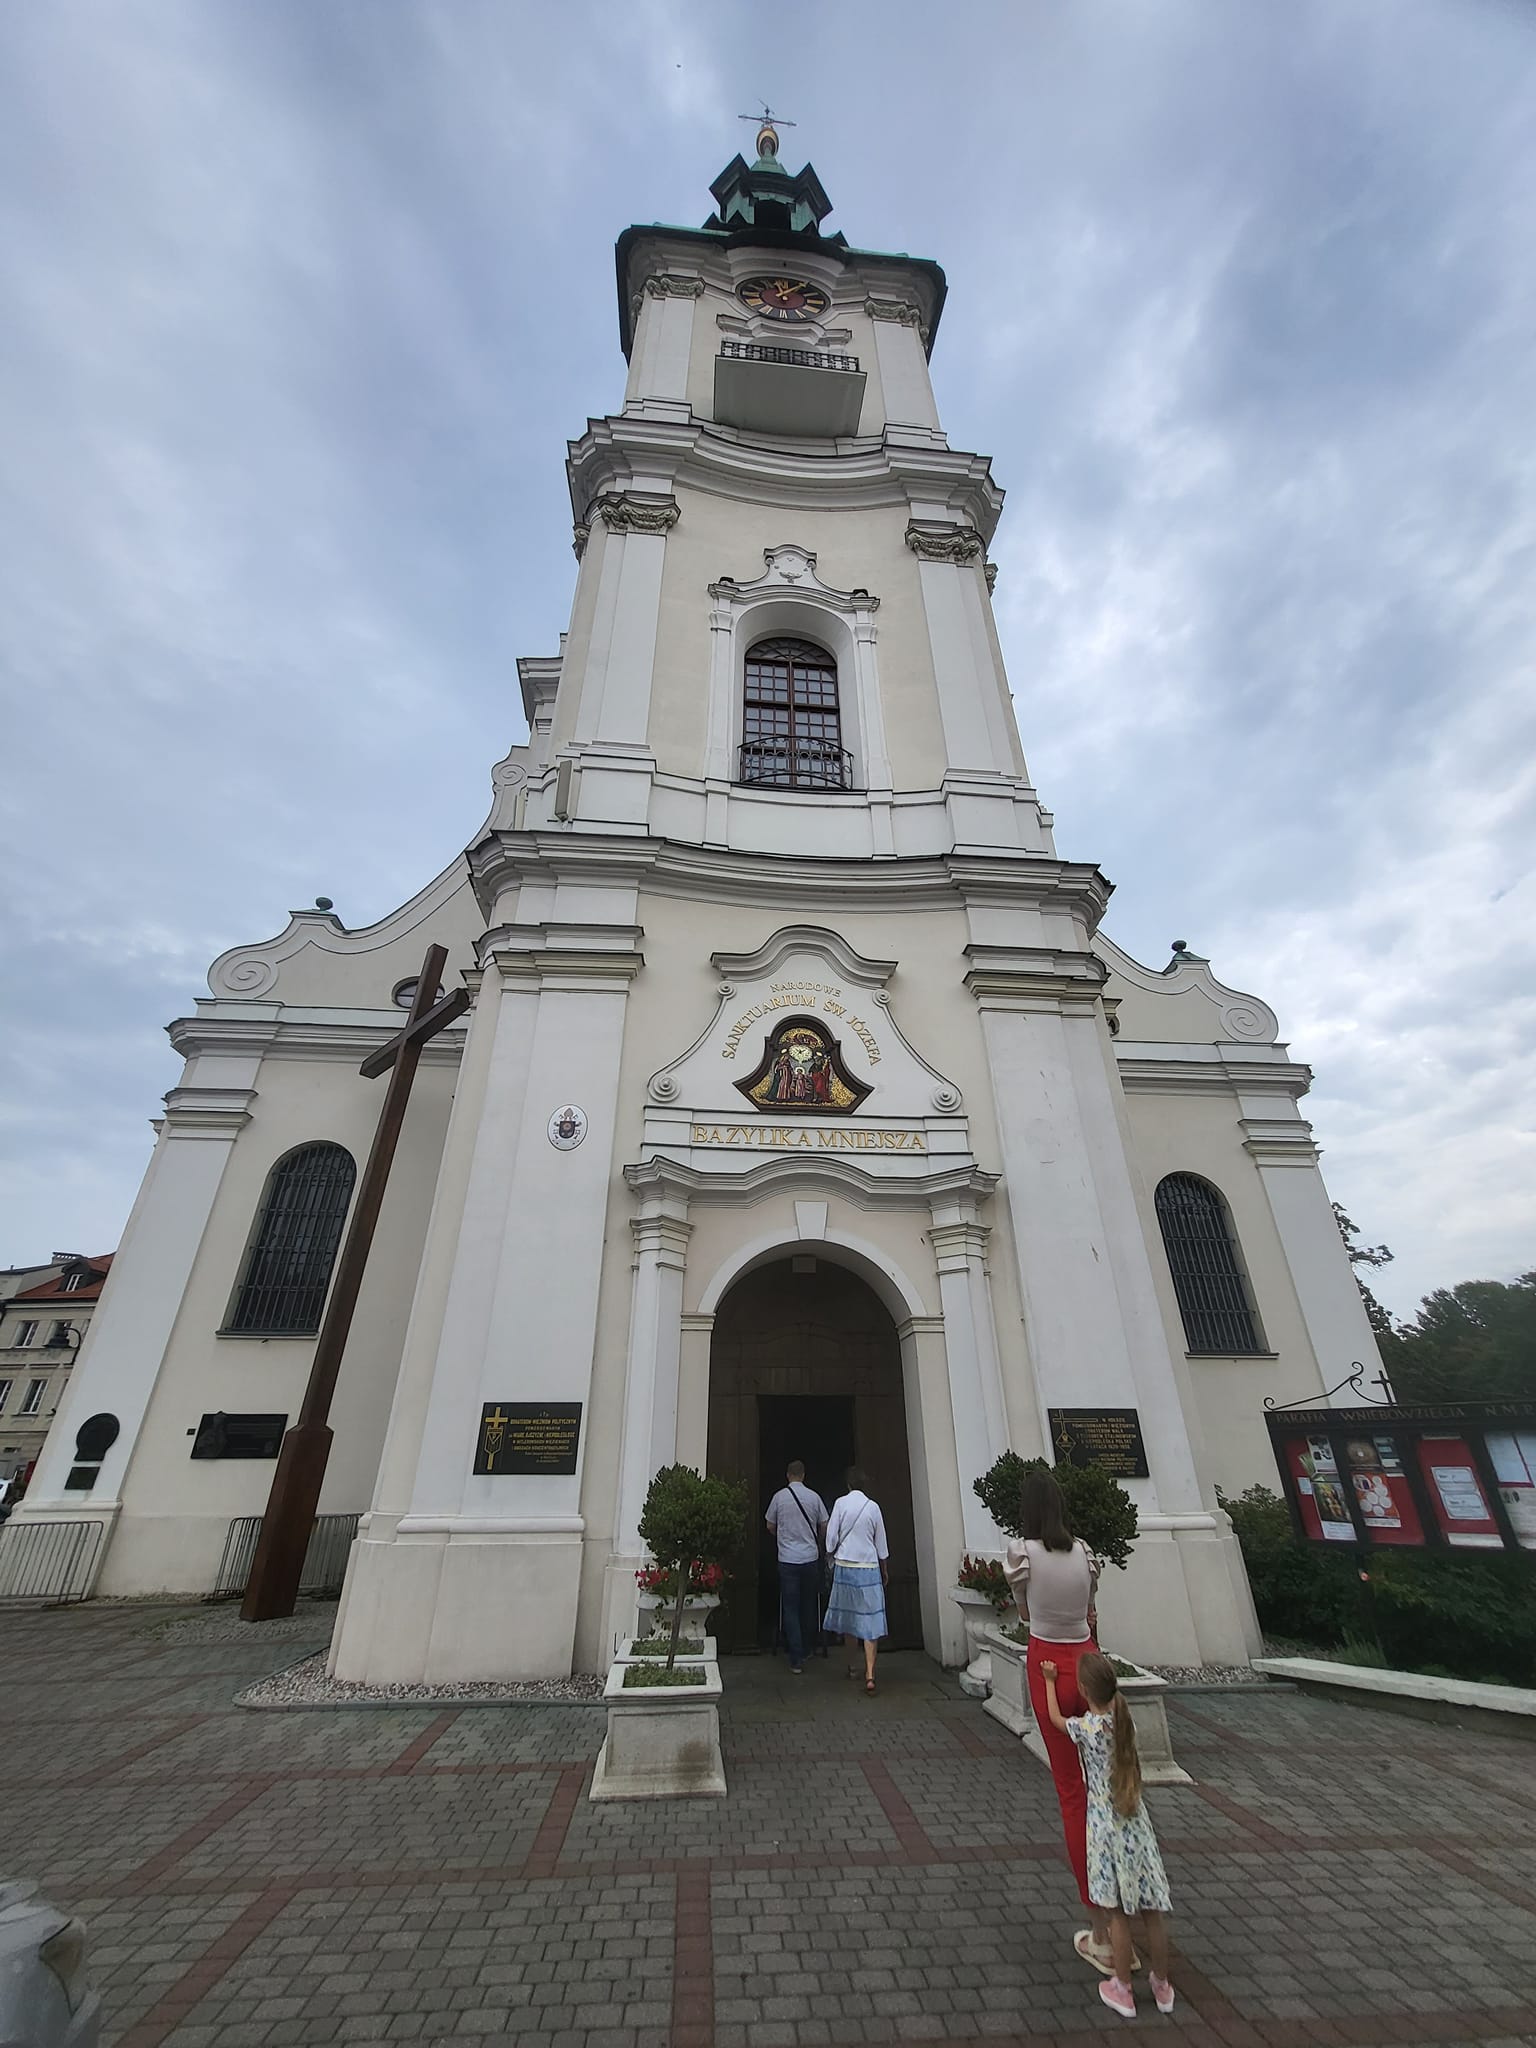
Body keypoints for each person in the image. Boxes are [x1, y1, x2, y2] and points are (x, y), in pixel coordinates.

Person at [1003, 1468, 1125, 1977]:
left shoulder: (1022, 1554)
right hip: (1088, 1663)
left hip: (1049, 1667)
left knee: (1074, 1795)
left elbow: (1023, 1613)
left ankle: (1101, 1932)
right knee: (1109, 1791)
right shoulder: (1085, 1553)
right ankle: (1125, 1918)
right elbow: (1091, 1611)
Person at [1039, 1651, 1175, 2019]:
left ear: (1084, 1691)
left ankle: (1123, 1989)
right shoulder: (1123, 1722)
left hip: (1105, 1826)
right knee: (1152, 1910)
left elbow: (1055, 1720)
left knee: (1116, 1913)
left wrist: (1049, 1682)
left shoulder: (1089, 1728)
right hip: (1136, 1822)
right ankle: (1162, 1986)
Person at [822, 1467, 888, 1693]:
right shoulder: (873, 1507)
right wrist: (884, 1569)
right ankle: (870, 1673)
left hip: (846, 1567)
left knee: (850, 1619)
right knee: (870, 1621)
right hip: (869, 1567)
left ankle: (852, 1667)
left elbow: (831, 1538)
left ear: (848, 1484)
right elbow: (881, 1544)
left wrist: (830, 1551)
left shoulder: (840, 1504)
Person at [763, 1459, 829, 1673]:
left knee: (790, 1607)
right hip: (810, 1558)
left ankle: (796, 1656)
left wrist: (783, 1536)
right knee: (808, 1604)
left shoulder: (779, 1498)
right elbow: (824, 1525)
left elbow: (770, 1525)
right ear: (804, 1475)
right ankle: (808, 1648)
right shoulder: (814, 1497)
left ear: (787, 1475)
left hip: (788, 1559)